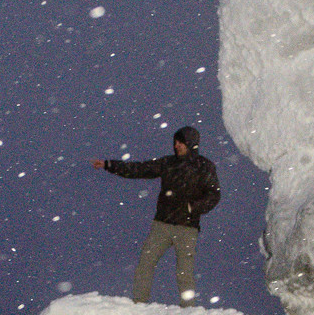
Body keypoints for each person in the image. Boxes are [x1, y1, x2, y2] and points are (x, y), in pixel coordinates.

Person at [92, 125, 222, 305]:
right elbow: (139, 169)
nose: (176, 146)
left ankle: (189, 311)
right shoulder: (168, 163)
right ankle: (139, 304)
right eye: (175, 142)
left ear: (191, 144)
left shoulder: (204, 166)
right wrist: (109, 165)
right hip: (162, 225)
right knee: (145, 264)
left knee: (185, 271)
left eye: (180, 143)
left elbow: (214, 194)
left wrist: (193, 207)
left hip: (187, 228)